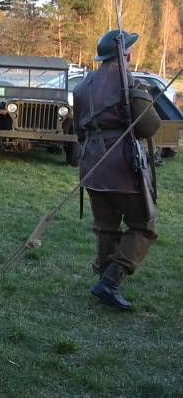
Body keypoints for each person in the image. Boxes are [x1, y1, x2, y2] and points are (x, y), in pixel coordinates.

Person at [73, 29, 161, 311]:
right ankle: (110, 281)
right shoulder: (130, 84)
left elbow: (78, 129)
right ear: (126, 54)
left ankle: (104, 276)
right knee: (143, 225)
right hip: (120, 163)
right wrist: (141, 96)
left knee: (106, 225)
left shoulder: (82, 85)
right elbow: (149, 127)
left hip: (91, 163)